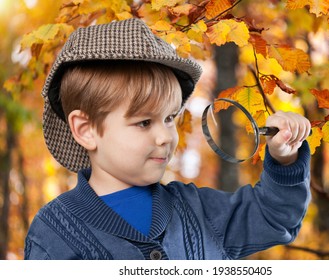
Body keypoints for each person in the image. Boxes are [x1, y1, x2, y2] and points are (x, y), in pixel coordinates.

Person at [24, 18, 311, 260]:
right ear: (86, 130)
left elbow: (274, 217)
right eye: (144, 122)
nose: (165, 136)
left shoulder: (198, 210)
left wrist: (285, 158)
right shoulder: (52, 235)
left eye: (170, 118)